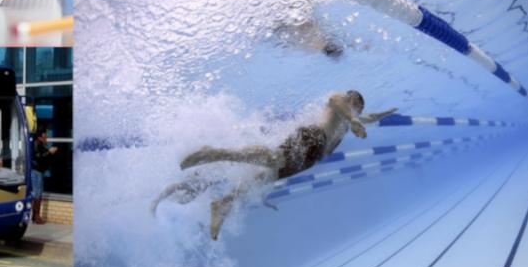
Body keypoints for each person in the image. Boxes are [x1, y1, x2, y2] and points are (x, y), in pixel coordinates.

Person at [151, 90, 397, 240]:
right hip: (311, 137)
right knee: (272, 159)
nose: (358, 110)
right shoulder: (341, 102)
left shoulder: (349, 119)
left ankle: (223, 203)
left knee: (264, 177)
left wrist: (384, 113)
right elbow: (337, 102)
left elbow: (369, 118)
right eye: (356, 106)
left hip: (310, 158)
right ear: (352, 99)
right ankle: (215, 153)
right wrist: (353, 119)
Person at [30, 128, 59, 225]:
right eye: (45, 135)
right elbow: (39, 157)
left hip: (40, 172)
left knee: (39, 195)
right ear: (40, 137)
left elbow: (44, 157)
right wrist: (49, 152)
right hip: (36, 172)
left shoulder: (41, 144)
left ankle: (35, 216)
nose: (46, 137)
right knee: (37, 195)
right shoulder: (36, 144)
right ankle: (36, 216)